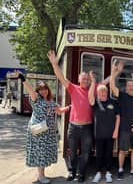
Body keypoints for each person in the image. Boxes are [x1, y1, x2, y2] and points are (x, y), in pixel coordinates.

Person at [48, 50, 109, 182]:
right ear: (79, 79)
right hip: (73, 127)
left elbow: (105, 81)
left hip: (87, 127)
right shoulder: (73, 88)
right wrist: (54, 63)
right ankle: (72, 172)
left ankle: (81, 174)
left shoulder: (94, 89)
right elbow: (61, 77)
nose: (86, 80)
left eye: (87, 79)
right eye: (84, 78)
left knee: (86, 153)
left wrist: (115, 73)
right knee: (73, 151)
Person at [17, 72, 69, 184]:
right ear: (38, 91)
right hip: (39, 130)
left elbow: (59, 111)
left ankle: (42, 175)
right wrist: (23, 79)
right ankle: (40, 177)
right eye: (40, 89)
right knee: (40, 152)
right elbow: (30, 89)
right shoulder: (36, 99)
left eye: (45, 89)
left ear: (48, 90)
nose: (43, 91)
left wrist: (70, 107)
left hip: (48, 131)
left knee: (44, 153)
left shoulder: (51, 102)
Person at [110, 60, 133, 181]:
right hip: (124, 129)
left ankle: (132, 170)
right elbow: (112, 86)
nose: (131, 87)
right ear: (126, 88)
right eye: (129, 86)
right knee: (122, 151)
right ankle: (120, 170)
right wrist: (115, 72)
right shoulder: (122, 96)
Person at [88, 71, 120, 183]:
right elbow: (90, 96)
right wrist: (93, 82)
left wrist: (116, 130)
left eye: (104, 91)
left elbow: (118, 117)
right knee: (99, 154)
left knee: (109, 154)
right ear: (98, 93)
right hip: (99, 133)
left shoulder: (113, 102)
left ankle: (108, 173)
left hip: (111, 133)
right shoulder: (95, 103)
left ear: (107, 92)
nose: (103, 93)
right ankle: (98, 172)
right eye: (101, 92)